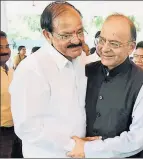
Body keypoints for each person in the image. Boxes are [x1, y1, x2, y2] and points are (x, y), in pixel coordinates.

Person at [9, 2, 97, 158]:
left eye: (80, 32)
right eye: (66, 35)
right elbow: (27, 126)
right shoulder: (32, 69)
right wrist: (75, 145)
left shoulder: (80, 59)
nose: (76, 40)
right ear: (47, 35)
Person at [67, 14, 143, 158]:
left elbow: (138, 138)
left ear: (131, 47)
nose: (104, 48)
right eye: (102, 40)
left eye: (114, 44)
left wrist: (90, 149)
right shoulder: (86, 71)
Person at [0, 31, 23, 158]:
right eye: (0, 47)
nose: (5, 51)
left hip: (17, 128)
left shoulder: (12, 70)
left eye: (7, 46)